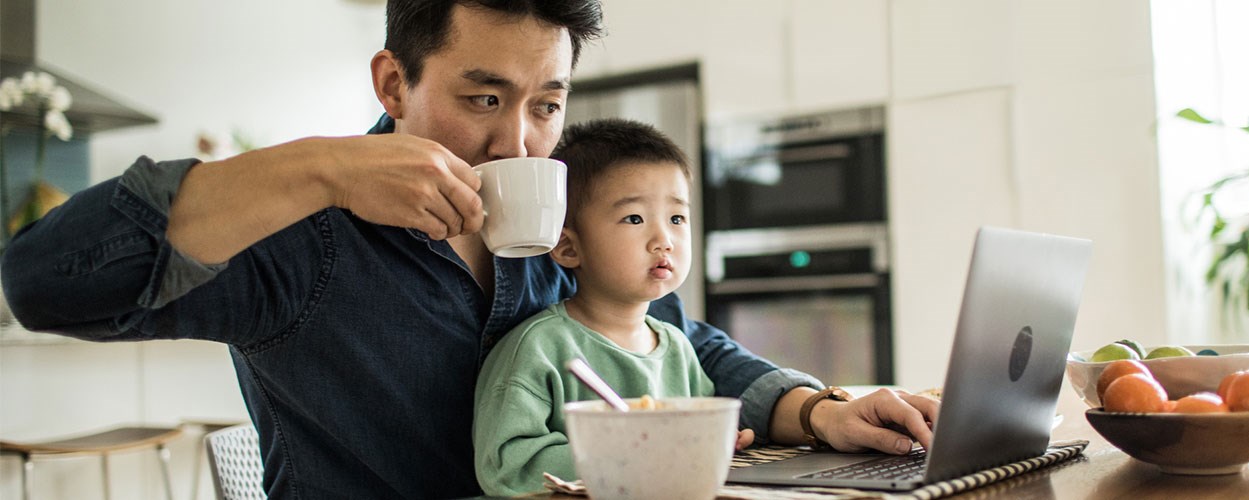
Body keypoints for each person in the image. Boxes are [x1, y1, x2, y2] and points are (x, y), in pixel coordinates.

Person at [0, 1, 939, 498]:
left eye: (547, 104)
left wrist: (817, 411)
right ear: (392, 83)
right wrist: (322, 167)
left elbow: (673, 342)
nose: (518, 142)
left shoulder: (556, 225)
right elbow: (43, 281)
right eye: (483, 98)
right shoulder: (300, 235)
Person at [473, 118, 752, 496]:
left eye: (676, 218)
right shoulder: (539, 349)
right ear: (569, 248)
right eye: (634, 218)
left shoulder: (678, 348)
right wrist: (632, 455)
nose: (664, 240)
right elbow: (508, 469)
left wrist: (713, 442)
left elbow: (685, 442)